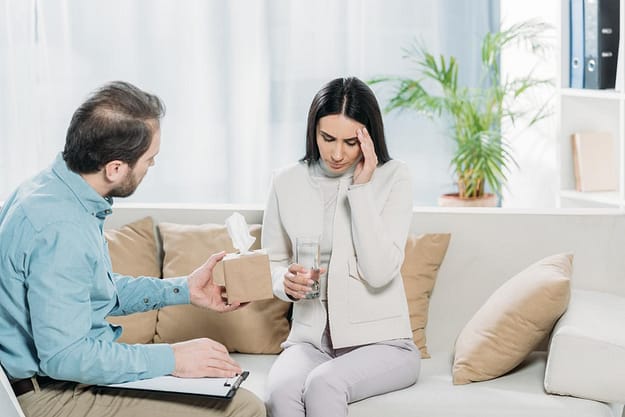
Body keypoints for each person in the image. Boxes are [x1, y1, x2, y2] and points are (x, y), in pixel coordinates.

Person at [0, 81, 266, 417]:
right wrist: (174, 358)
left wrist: (183, 289)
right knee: (243, 409)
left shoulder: (49, 189)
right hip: (50, 393)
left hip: (56, 379)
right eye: (149, 160)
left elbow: (87, 291)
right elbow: (66, 356)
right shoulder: (62, 229)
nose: (151, 167)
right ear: (115, 168)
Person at [262, 77, 421, 417]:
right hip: (310, 341)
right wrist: (284, 282)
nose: (337, 153)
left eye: (350, 142)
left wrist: (360, 190)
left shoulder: (395, 178)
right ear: (313, 131)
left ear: (369, 136)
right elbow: (272, 260)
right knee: (281, 391)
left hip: (385, 343)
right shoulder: (285, 181)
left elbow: (379, 273)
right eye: (327, 138)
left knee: (324, 384)